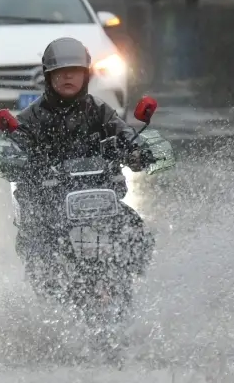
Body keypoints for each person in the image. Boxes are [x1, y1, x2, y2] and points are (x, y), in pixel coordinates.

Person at [8, 37, 155, 275]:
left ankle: (127, 278)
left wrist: (137, 149)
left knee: (134, 228)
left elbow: (122, 131)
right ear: (48, 76)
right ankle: (47, 284)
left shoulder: (98, 110)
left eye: (74, 72)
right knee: (40, 238)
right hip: (50, 197)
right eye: (61, 72)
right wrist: (20, 160)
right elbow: (15, 146)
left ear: (85, 75)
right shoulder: (31, 117)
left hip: (96, 194)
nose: (68, 77)